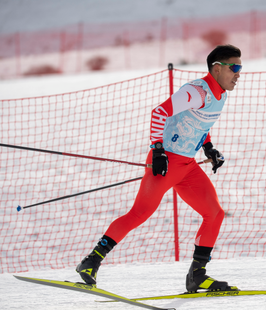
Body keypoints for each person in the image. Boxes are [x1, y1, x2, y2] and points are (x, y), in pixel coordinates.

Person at [77, 44, 242, 292]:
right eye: (235, 67)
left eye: (241, 68)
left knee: (215, 213)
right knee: (139, 214)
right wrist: (157, 149)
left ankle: (197, 275)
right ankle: (91, 262)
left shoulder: (221, 95)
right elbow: (160, 112)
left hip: (187, 166)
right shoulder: (196, 91)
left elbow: (201, 124)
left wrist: (208, 148)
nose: (239, 73)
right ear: (217, 69)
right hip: (166, 163)